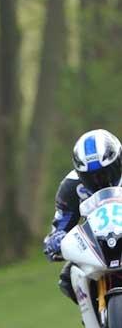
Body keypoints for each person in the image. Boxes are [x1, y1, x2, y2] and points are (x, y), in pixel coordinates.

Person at [43, 128, 122, 302]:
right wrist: (55, 240)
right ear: (80, 175)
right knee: (68, 277)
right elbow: (61, 224)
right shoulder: (71, 187)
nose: (100, 181)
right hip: (97, 246)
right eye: (91, 177)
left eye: (106, 173)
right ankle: (97, 326)